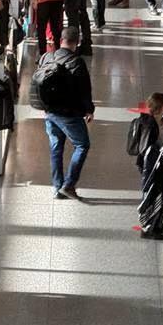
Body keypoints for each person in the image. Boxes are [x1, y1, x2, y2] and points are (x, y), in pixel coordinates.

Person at [37, 26, 93, 199]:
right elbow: (85, 90)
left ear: (60, 40)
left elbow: (39, 82)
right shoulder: (77, 62)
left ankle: (57, 187)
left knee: (56, 148)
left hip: (49, 112)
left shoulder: (47, 57)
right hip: (69, 114)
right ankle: (68, 185)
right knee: (82, 145)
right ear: (77, 42)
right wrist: (89, 110)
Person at [131, 92, 163, 238]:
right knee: (152, 194)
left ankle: (157, 224)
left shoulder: (162, 122)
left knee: (161, 194)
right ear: (159, 106)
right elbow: (147, 148)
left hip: (160, 163)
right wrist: (161, 152)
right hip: (150, 165)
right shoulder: (148, 123)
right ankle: (149, 227)